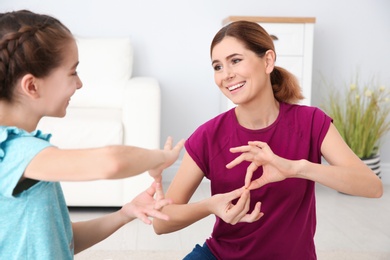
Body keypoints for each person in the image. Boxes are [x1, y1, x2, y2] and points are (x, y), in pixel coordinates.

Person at [153, 20, 383, 259]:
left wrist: (296, 168)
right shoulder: (209, 135)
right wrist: (209, 206)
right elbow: (161, 223)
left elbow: (371, 186)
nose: (227, 75)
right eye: (217, 67)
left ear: (268, 61)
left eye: (235, 60)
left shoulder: (311, 122)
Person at [0, 10, 184, 259]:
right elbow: (112, 161)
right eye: (72, 72)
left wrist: (125, 213)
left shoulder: (24, 151)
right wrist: (160, 158)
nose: (79, 83)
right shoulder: (13, 151)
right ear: (32, 86)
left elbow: (63, 241)